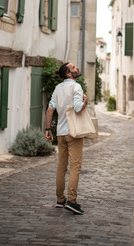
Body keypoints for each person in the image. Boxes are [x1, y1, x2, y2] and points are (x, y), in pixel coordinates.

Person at [45, 62, 88, 215]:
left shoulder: (57, 88)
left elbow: (50, 110)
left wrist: (48, 129)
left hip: (60, 133)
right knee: (75, 166)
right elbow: (77, 109)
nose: (77, 68)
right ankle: (71, 201)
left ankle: (60, 199)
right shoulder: (75, 87)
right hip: (73, 132)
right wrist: (85, 102)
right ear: (69, 74)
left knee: (61, 167)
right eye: (74, 67)